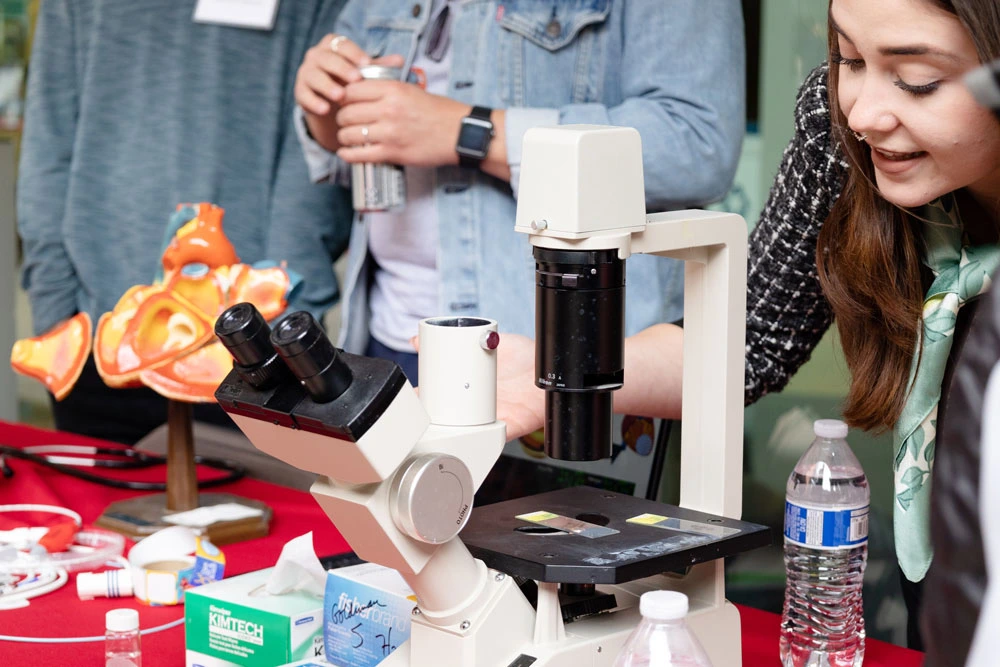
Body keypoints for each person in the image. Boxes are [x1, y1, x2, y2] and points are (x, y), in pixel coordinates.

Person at [494, 0, 1000, 652]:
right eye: (848, 58)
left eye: (918, 79)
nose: (865, 112)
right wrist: (564, 372)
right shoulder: (838, 131)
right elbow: (746, 341)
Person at [292, 0, 746, 383]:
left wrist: (467, 131)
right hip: (383, 344)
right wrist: (330, 117)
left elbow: (697, 146)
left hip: (566, 358)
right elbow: (355, 148)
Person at [17, 0, 352, 444]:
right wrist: (56, 316)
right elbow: (49, 133)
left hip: (252, 355)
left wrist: (279, 324)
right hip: (95, 339)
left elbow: (315, 151)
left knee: (261, 510)